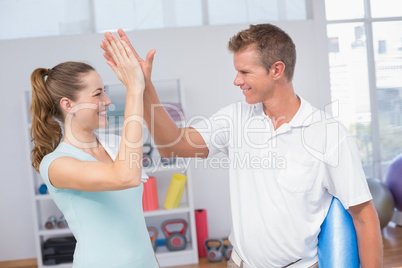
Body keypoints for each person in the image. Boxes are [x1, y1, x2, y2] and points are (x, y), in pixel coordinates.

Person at [102, 24, 383, 268]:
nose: (237, 81)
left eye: (245, 72)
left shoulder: (328, 134)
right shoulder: (235, 118)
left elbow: (364, 217)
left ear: (276, 70)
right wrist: (145, 86)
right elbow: (171, 147)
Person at [30, 34, 159, 267]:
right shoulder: (56, 164)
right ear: (69, 105)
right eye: (98, 94)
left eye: (105, 91)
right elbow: (125, 177)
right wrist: (134, 90)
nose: (108, 101)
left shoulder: (115, 145)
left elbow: (133, 223)